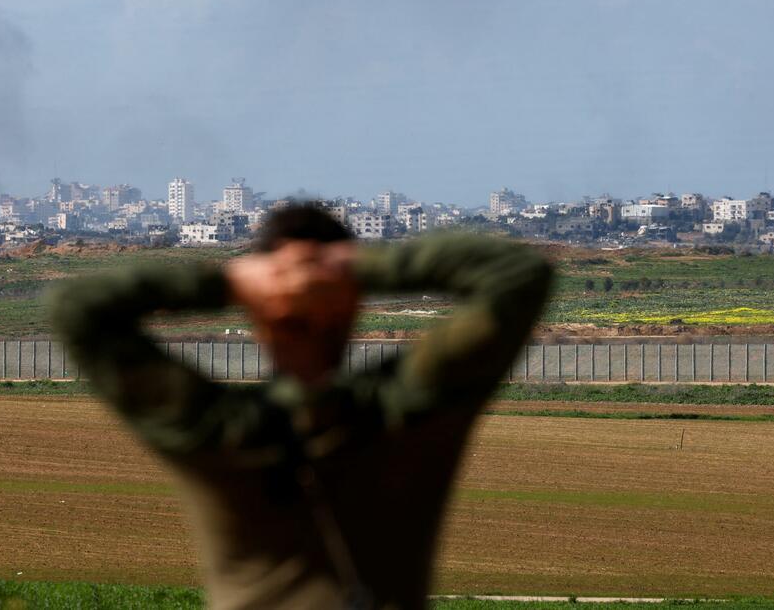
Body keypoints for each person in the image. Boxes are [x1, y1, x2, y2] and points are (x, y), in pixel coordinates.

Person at [49, 205, 552, 610]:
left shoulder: (218, 432)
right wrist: (351, 268)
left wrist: (231, 280)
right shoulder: (406, 412)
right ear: (351, 305)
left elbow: (78, 309)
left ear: (256, 314)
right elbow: (517, 274)